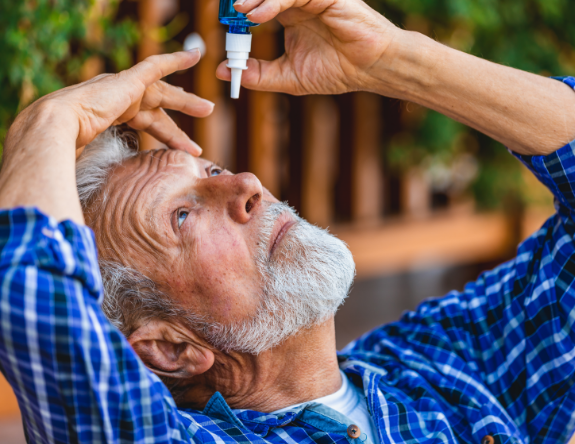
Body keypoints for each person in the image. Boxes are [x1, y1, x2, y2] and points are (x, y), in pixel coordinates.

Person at [1, 0, 575, 441]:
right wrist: (47, 122)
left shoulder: (444, 367)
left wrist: (394, 60)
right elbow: (34, 306)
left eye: (215, 168)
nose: (246, 185)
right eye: (181, 216)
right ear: (171, 349)